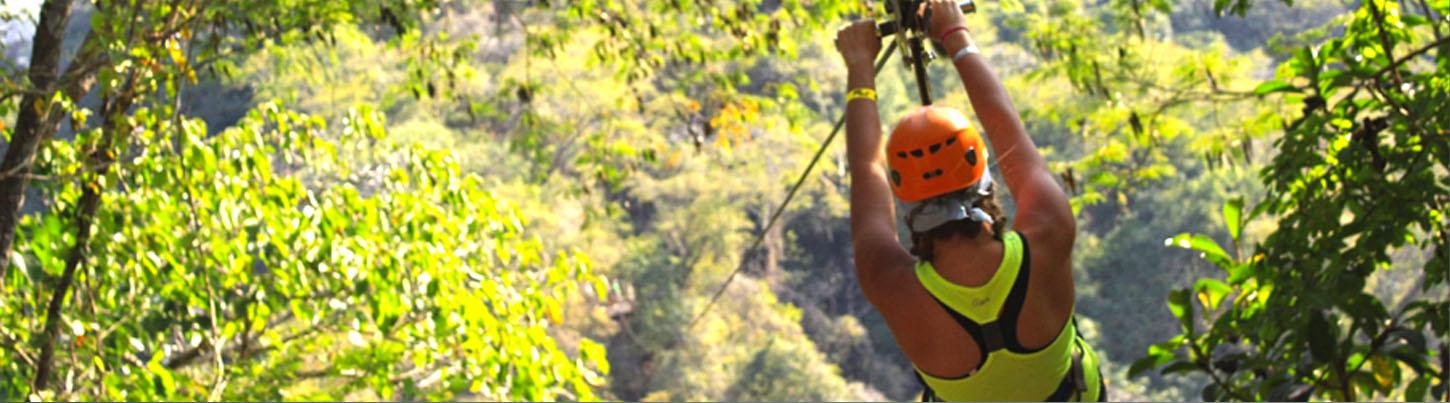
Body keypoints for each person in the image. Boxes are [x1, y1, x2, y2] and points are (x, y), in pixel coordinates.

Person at [834, 0, 1106, 401]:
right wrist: (955, 35)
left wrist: (860, 68)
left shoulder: (889, 280)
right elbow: (1006, 131)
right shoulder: (1049, 231)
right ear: (981, 174)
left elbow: (865, 171)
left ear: (903, 194)